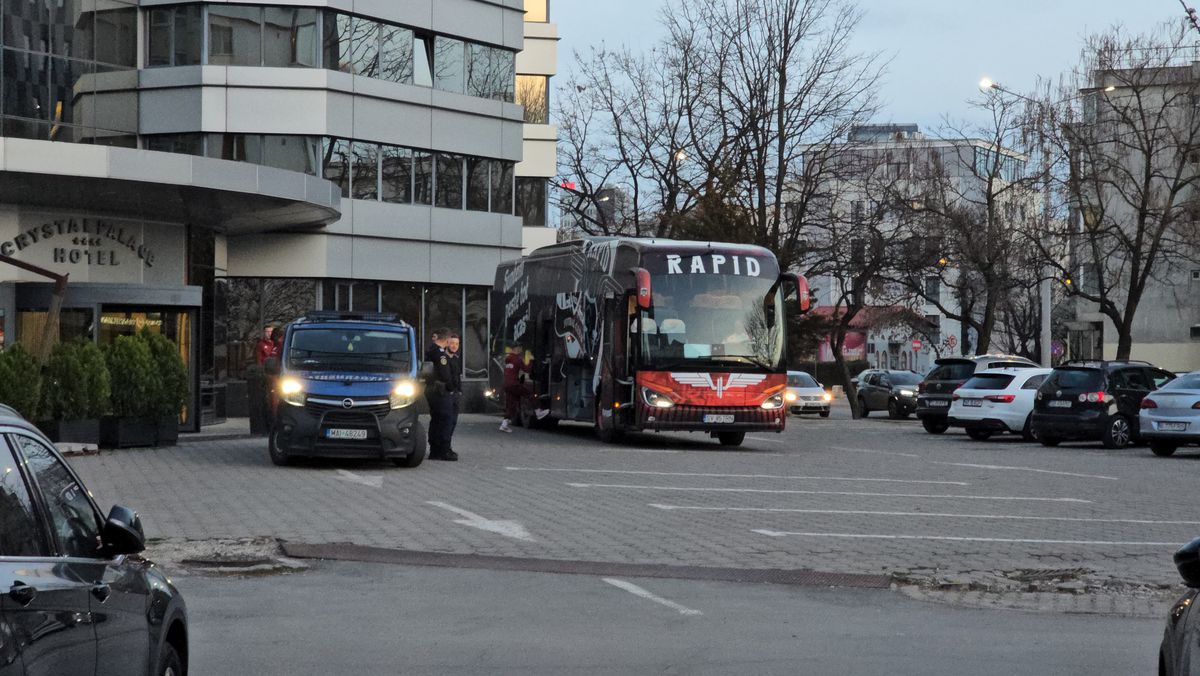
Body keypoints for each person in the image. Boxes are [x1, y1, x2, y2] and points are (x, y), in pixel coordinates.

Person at [423, 328, 457, 461]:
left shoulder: (431, 350)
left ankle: (435, 450)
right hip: (440, 391)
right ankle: (443, 450)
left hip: (431, 389)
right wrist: (451, 388)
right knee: (446, 420)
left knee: (436, 420)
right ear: (447, 340)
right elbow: (445, 375)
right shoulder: (440, 353)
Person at [499, 342, 530, 433]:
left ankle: (504, 425)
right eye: (520, 348)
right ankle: (538, 410)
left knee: (510, 405)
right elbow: (526, 369)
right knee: (528, 394)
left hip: (506, 385)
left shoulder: (507, 359)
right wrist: (531, 362)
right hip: (514, 384)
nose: (521, 350)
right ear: (517, 348)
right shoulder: (517, 359)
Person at [445, 333, 463, 452]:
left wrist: (460, 391)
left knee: (453, 422)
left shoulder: (456, 359)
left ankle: (448, 445)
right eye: (452, 343)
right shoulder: (443, 359)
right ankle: (444, 447)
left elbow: (458, 377)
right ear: (447, 343)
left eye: (456, 344)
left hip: (456, 395)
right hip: (446, 395)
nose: (454, 346)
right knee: (446, 422)